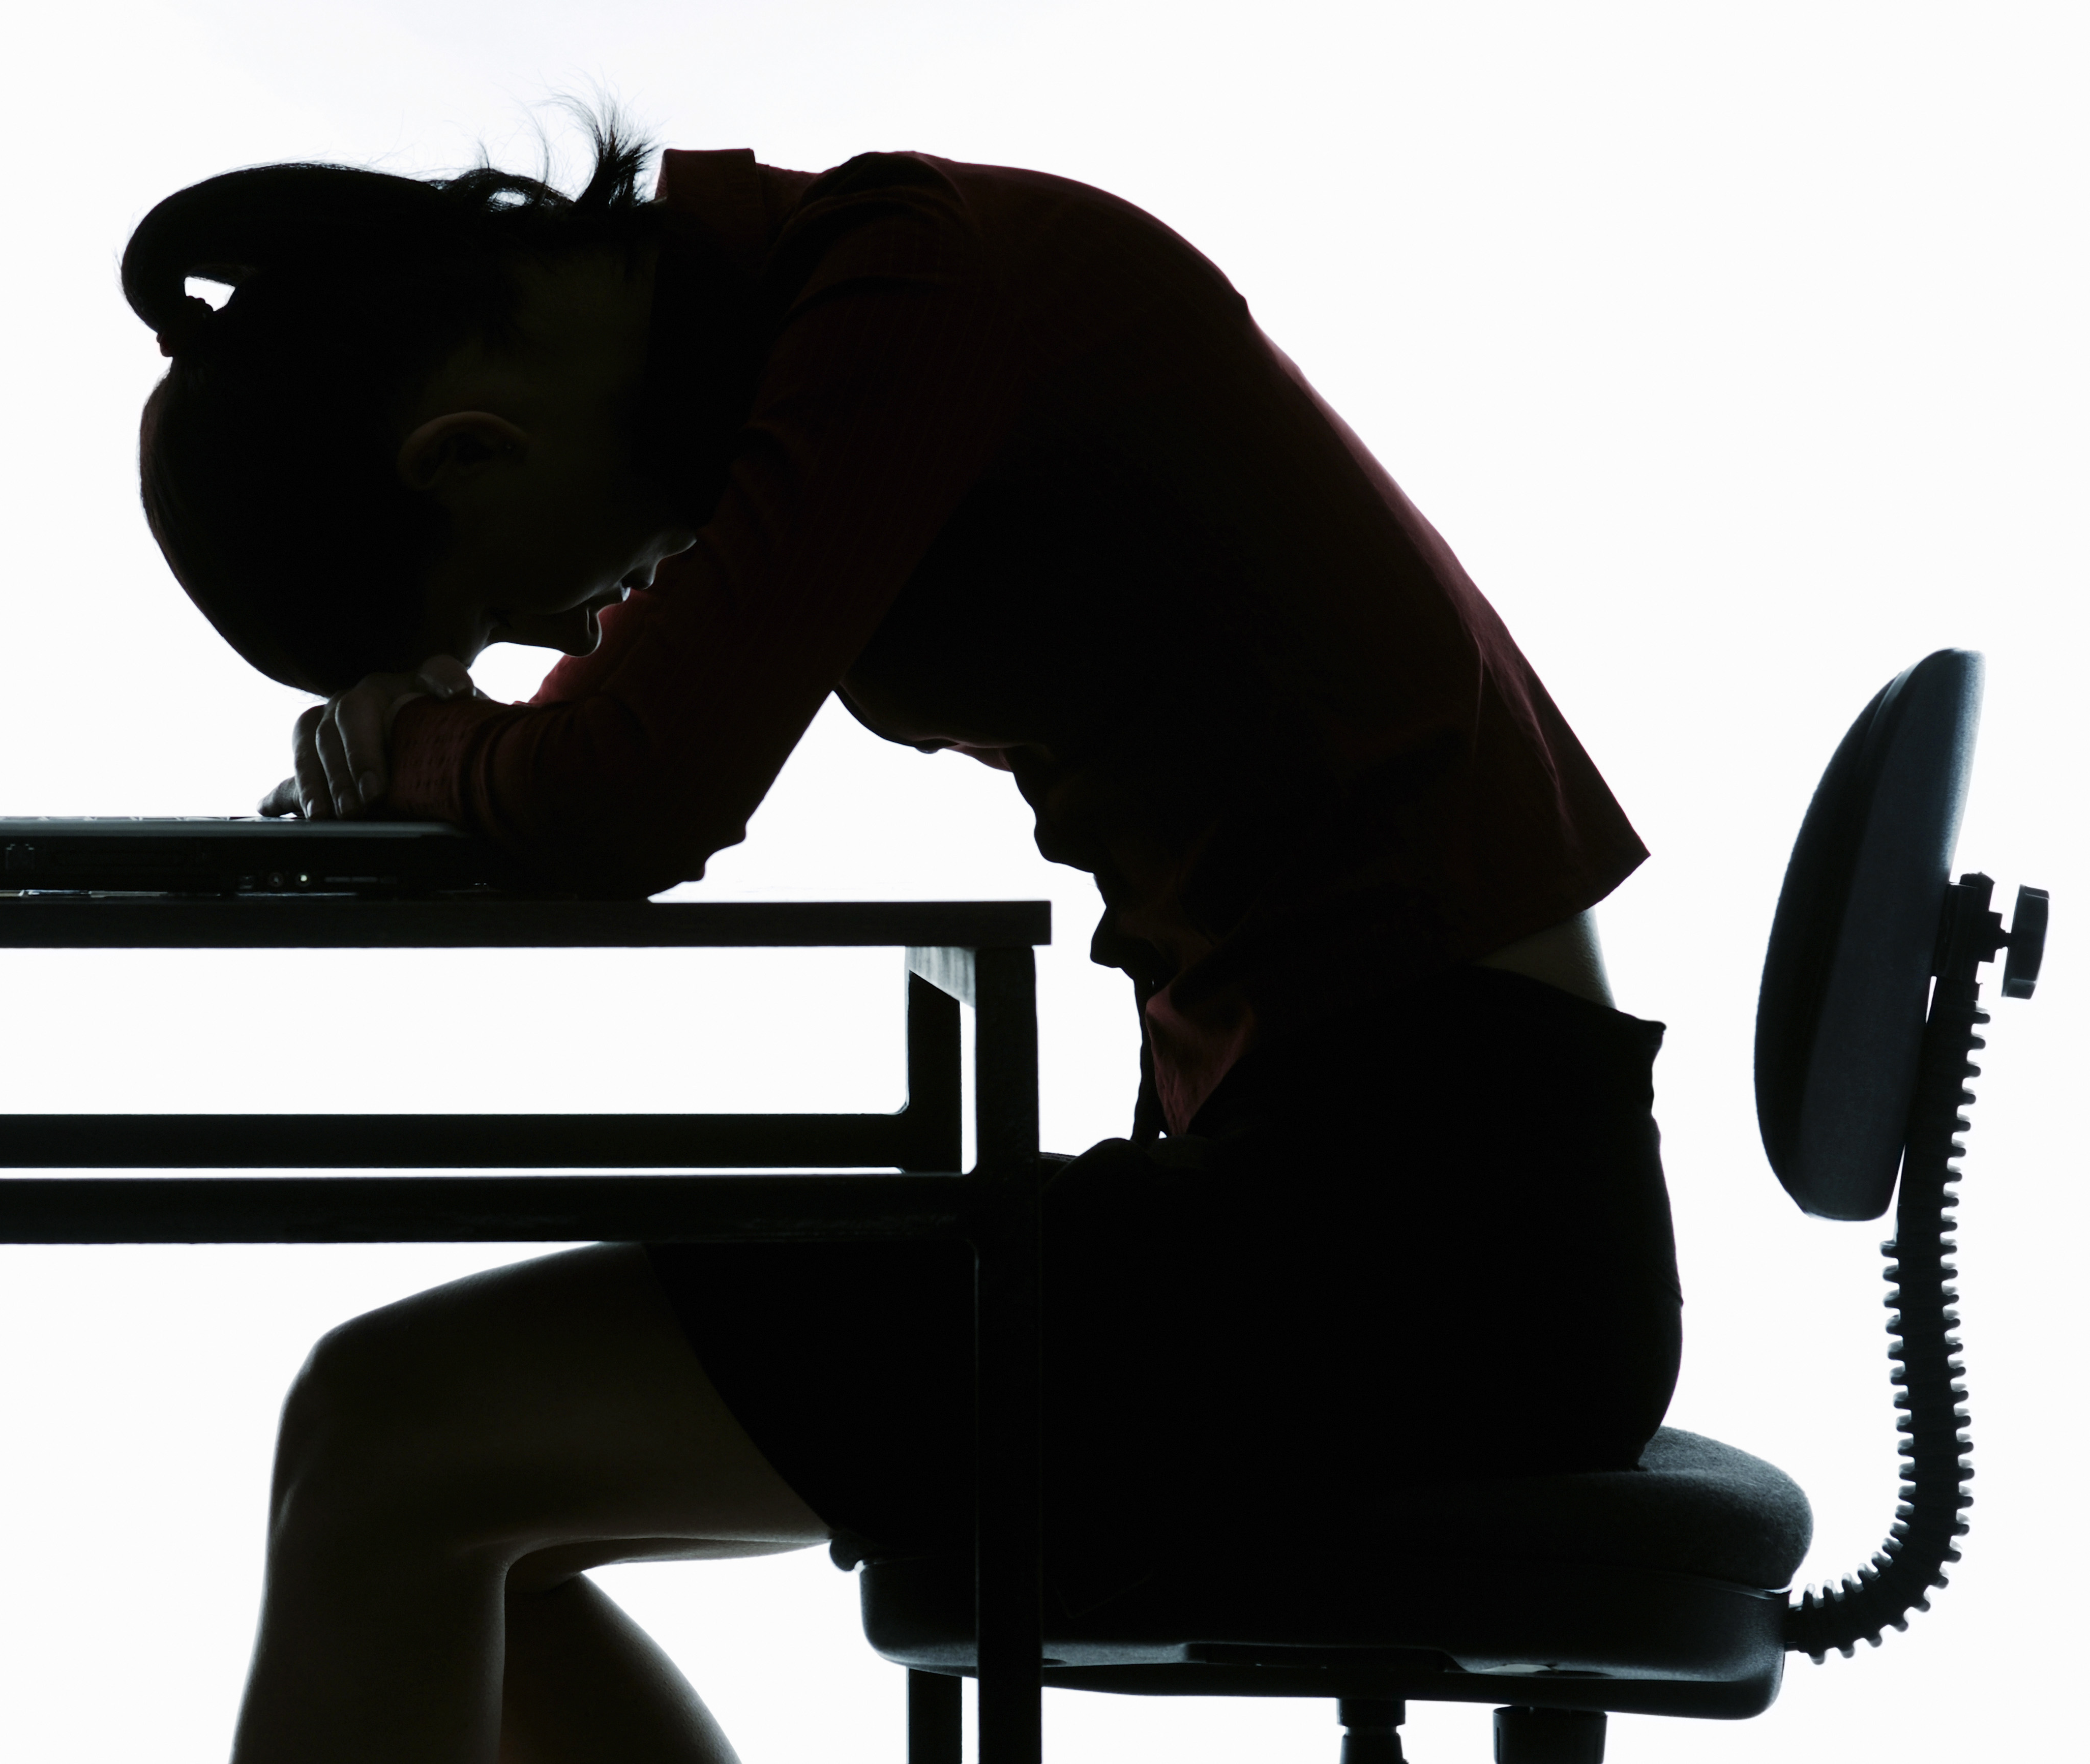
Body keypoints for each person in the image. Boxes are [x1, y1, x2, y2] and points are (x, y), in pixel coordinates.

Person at [121, 111, 1683, 1764]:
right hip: (1373, 1196)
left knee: (392, 1436)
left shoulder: (906, 293)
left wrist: (411, 746)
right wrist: (452, 750)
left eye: (518, 620)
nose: (583, 629)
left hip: (1427, 1240)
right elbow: (605, 745)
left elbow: (622, 793)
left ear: (468, 453)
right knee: (442, 1482)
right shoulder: (797, 350)